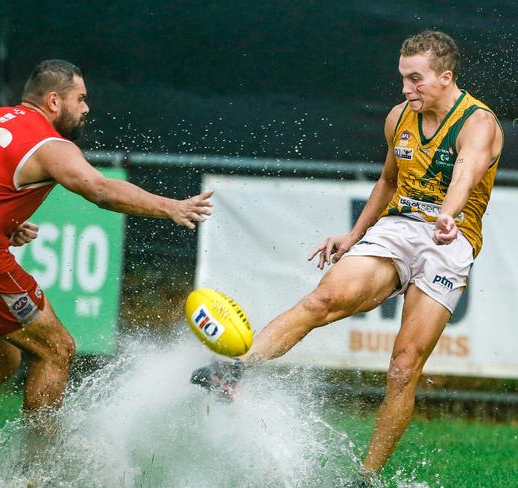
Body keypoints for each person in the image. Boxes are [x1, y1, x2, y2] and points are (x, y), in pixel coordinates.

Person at [0, 58, 213, 476]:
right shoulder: (50, 143)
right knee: (57, 348)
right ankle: (36, 474)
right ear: (54, 100)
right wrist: (170, 205)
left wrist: (2, 223)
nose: (86, 109)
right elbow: (100, 189)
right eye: (80, 99)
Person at [191, 30, 503, 484]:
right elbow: (388, 183)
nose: (405, 89)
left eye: (415, 79)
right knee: (322, 300)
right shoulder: (400, 117)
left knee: (402, 367)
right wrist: (355, 236)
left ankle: (366, 477)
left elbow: (465, 175)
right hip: (398, 228)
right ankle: (234, 370)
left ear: (445, 77)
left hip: (448, 240)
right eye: (402, 78)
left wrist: (448, 217)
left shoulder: (478, 123)